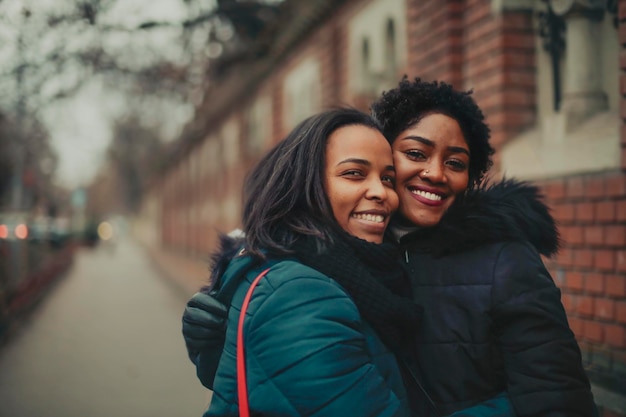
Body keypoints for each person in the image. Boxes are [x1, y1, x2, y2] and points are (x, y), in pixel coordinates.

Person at [183, 79, 597, 417]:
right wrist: (214, 341)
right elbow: (284, 381)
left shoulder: (504, 261)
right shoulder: (332, 258)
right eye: (415, 153)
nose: (435, 173)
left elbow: (559, 398)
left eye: (456, 163)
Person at [191, 107, 424, 417]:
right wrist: (506, 403)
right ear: (305, 185)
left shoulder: (340, 273)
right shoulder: (300, 295)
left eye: (388, 178)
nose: (382, 193)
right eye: (354, 173)